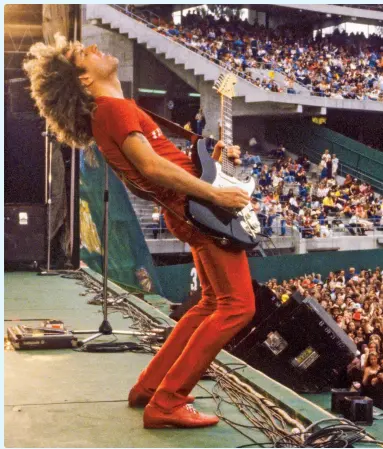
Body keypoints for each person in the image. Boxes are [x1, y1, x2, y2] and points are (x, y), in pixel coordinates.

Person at [24, 37, 255, 429]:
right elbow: (150, 167)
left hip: (188, 209)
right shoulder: (111, 111)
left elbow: (164, 165)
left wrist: (212, 162)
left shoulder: (113, 111)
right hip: (197, 210)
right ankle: (168, 400)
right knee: (237, 306)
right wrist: (215, 193)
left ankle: (149, 387)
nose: (95, 48)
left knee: (210, 303)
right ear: (82, 79)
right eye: (85, 53)